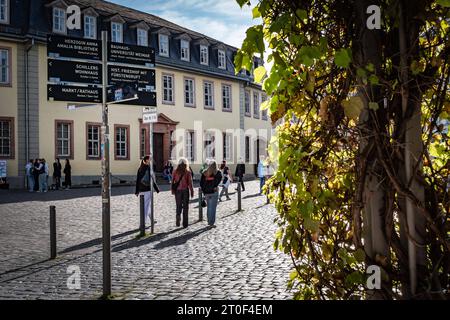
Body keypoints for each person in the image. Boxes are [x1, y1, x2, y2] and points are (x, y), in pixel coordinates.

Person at [135, 156, 160, 225]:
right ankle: (143, 222)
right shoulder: (149, 169)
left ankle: (152, 219)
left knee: (147, 205)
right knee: (146, 206)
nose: (151, 161)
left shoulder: (140, 169)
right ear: (146, 160)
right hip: (148, 190)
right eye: (149, 160)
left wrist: (137, 191)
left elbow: (137, 181)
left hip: (141, 190)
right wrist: (157, 188)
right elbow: (152, 179)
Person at [171, 158, 194, 228]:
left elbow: (172, 181)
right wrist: (192, 191)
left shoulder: (175, 171)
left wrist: (172, 190)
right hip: (185, 191)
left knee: (178, 205)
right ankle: (185, 223)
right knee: (185, 207)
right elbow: (190, 183)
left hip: (178, 191)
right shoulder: (187, 172)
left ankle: (178, 216)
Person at [200, 160, 222, 227]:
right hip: (214, 192)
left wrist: (204, 191)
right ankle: (211, 223)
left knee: (209, 207)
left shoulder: (205, 173)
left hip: (207, 192)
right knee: (213, 208)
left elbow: (201, 183)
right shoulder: (218, 173)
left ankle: (209, 221)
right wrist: (215, 186)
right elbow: (219, 180)